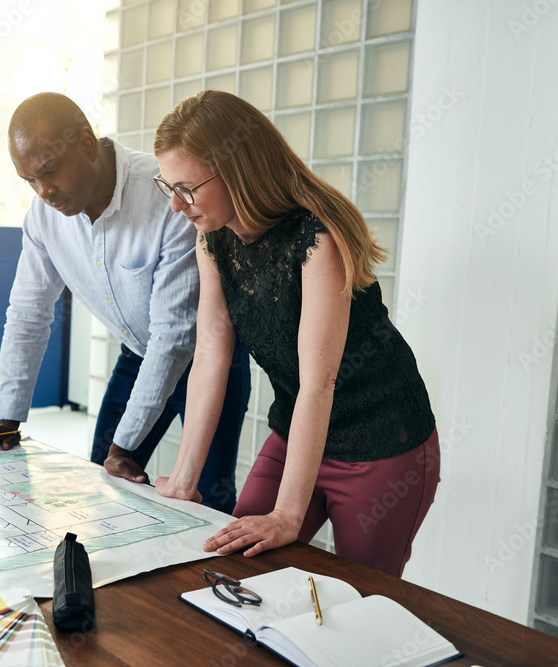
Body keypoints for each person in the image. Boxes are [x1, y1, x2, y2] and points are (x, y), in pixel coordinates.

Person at [151, 90, 439, 577]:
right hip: (298, 431)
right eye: (168, 187)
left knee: (361, 598)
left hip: (382, 444)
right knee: (234, 567)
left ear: (235, 171)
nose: (177, 206)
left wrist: (287, 515)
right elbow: (211, 354)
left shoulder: (315, 238)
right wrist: (183, 481)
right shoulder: (212, 239)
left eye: (188, 189)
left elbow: (318, 382)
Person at [0, 92, 250, 514]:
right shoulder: (43, 218)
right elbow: (28, 314)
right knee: (103, 485)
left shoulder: (166, 197)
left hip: (210, 359)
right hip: (138, 356)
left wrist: (126, 444)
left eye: (50, 171)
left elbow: (175, 336)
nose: (44, 192)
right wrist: (9, 418)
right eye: (30, 181)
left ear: (87, 145)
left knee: (211, 499)